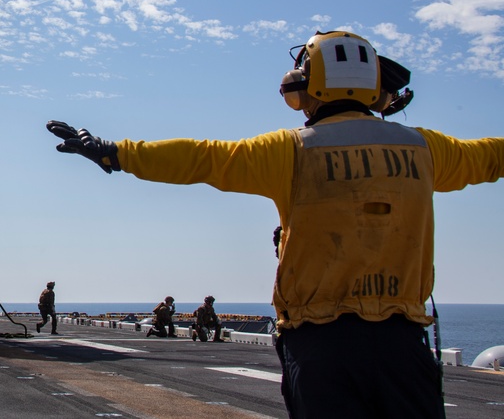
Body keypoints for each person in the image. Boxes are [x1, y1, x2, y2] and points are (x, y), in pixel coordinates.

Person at [47, 30, 504, 419]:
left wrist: (114, 151)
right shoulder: (426, 149)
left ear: (314, 87)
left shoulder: (292, 149)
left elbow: (202, 157)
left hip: (322, 348)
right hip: (404, 347)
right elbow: (492, 155)